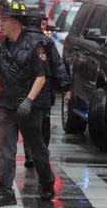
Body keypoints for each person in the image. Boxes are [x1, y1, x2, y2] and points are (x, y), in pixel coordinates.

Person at [0, 0, 55, 207]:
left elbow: (41, 76)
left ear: (16, 21)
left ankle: (47, 183)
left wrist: (28, 100)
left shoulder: (36, 45)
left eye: (4, 18)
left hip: (28, 108)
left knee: (36, 148)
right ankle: (5, 192)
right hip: (6, 106)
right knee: (5, 150)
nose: (0, 22)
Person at [22, 11, 71, 168]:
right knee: (43, 121)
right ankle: (41, 153)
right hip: (43, 89)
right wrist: (66, 86)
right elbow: (57, 64)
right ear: (40, 24)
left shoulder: (18, 40)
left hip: (23, 89)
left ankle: (30, 155)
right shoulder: (46, 42)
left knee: (27, 122)